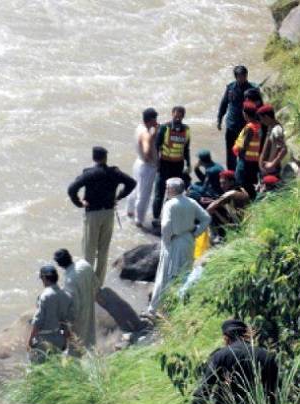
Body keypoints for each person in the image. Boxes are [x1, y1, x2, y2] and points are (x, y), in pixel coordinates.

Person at [187, 319, 279, 404]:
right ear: (246, 335)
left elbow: (206, 386)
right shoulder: (266, 356)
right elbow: (274, 394)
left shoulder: (221, 355)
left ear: (226, 338)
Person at [68, 147, 136, 285]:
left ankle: (87, 283)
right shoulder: (114, 172)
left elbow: (71, 189)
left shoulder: (89, 173)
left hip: (93, 214)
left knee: (89, 250)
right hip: (109, 213)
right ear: (105, 158)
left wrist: (79, 203)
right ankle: (98, 284)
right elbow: (131, 183)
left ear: (94, 158)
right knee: (103, 250)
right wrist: (119, 196)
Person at [148, 178, 211, 314]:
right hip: (188, 240)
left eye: (166, 188)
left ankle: (154, 308)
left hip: (174, 242)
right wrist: (196, 233)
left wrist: (166, 241)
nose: (165, 190)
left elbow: (165, 225)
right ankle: (178, 307)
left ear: (172, 189)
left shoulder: (170, 204)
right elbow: (206, 218)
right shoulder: (192, 202)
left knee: (164, 275)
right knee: (185, 274)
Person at [152, 106, 191, 226]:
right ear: (172, 114)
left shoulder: (187, 130)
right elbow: (156, 146)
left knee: (174, 193)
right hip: (164, 164)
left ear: (183, 116)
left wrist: (188, 164)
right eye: (176, 115)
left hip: (178, 165)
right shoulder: (165, 128)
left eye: (180, 115)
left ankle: (168, 216)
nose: (178, 117)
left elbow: (186, 149)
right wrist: (157, 162)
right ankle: (156, 217)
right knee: (159, 192)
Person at [53, 249, 98, 352]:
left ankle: (76, 366)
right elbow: (96, 284)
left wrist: (65, 325)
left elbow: (73, 309)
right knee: (90, 340)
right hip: (89, 307)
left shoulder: (69, 281)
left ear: (59, 265)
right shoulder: (84, 264)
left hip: (79, 318)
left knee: (76, 348)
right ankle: (94, 362)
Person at [28, 265, 74, 363]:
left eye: (41, 278)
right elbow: (66, 321)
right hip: (59, 339)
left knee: (38, 369)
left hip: (44, 341)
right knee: (55, 366)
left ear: (44, 278)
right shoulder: (66, 295)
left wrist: (31, 339)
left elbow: (38, 321)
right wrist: (65, 340)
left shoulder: (44, 296)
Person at [217, 65, 257, 171]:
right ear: (236, 77)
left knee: (245, 151)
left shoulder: (253, 89)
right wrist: (219, 119)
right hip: (232, 124)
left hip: (246, 126)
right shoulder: (230, 88)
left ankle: (243, 173)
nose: (242, 78)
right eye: (240, 76)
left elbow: (259, 106)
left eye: (244, 76)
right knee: (231, 152)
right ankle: (231, 174)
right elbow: (224, 104)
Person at [126, 108, 160, 228]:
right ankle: (139, 221)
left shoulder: (139, 128)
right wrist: (153, 161)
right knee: (144, 195)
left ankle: (130, 211)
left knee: (135, 189)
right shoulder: (146, 134)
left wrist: (154, 133)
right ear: (151, 120)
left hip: (138, 162)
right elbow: (146, 151)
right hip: (147, 166)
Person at [206, 170, 250, 239]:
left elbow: (209, 209)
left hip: (238, 225)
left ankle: (215, 237)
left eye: (224, 183)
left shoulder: (229, 194)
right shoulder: (242, 189)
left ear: (231, 182)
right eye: (221, 183)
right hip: (247, 222)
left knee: (211, 210)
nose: (222, 186)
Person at [233, 101, 262, 200]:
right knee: (250, 185)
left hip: (245, 161)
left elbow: (244, 146)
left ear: (245, 113)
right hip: (254, 161)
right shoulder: (258, 125)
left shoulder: (249, 128)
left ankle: (245, 206)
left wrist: (239, 152)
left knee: (241, 184)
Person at [257, 104, 287, 178]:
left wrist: (272, 164)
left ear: (267, 117)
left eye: (262, 119)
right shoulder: (270, 126)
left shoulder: (276, 130)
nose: (261, 122)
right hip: (266, 170)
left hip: (272, 171)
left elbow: (284, 149)